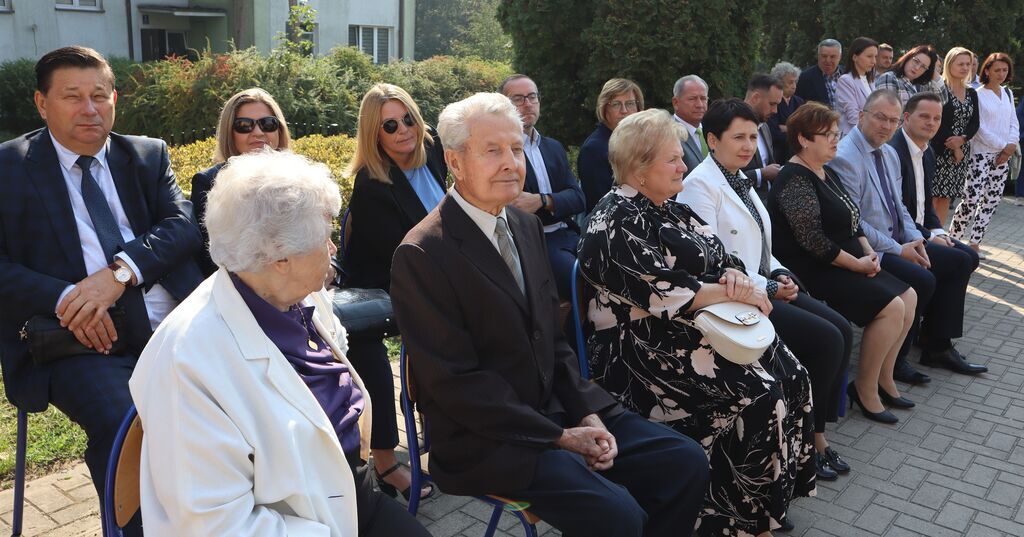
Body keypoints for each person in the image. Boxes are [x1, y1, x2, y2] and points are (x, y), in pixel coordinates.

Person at [390, 93, 709, 537]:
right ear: (455, 161)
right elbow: (456, 386)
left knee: (685, 463)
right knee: (618, 516)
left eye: (516, 149)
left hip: (556, 409)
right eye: (493, 150)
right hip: (487, 437)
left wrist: (586, 412)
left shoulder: (523, 225)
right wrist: (560, 437)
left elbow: (552, 341)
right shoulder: (423, 253)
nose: (510, 162)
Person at [129, 151, 431, 537]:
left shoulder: (296, 292)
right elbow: (217, 525)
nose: (334, 248)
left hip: (345, 491)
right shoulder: (188, 361)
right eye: (326, 238)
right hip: (296, 521)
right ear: (279, 257)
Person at [581, 108, 815, 536]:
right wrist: (728, 290)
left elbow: (725, 257)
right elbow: (664, 293)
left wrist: (733, 277)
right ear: (638, 167)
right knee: (759, 395)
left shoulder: (669, 206)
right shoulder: (611, 220)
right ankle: (739, 519)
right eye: (672, 159)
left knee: (793, 374)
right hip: (640, 350)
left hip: (692, 328)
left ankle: (760, 508)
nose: (683, 165)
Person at [0, 46, 203, 535]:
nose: (90, 109)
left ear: (114, 98)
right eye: (73, 96)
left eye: (99, 96)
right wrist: (70, 298)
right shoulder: (9, 168)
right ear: (42, 103)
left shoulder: (145, 154)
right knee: (128, 426)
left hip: (171, 325)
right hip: (78, 342)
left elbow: (183, 225)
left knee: (238, 403)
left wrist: (118, 275)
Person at [678, 98, 853, 482]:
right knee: (826, 341)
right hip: (735, 298)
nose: (748, 145)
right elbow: (716, 261)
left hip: (766, 287)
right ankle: (811, 447)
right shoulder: (699, 186)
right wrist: (771, 286)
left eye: (753, 136)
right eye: (737, 137)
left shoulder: (740, 179)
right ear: (712, 139)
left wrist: (781, 274)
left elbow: (760, 246)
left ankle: (814, 437)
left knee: (840, 329)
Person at [768, 102, 917, 424]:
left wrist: (869, 253)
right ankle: (864, 389)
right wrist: (858, 265)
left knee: (910, 296)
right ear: (804, 139)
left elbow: (854, 220)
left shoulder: (826, 169)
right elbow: (813, 242)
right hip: (814, 269)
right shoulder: (794, 177)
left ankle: (884, 378)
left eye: (837, 133)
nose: (836, 140)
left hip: (849, 259)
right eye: (828, 135)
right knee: (892, 307)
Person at [831, 90, 986, 382]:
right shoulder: (844, 157)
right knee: (923, 278)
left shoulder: (888, 152)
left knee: (959, 260)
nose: (887, 126)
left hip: (898, 239)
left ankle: (934, 344)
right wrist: (901, 249)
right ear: (861, 116)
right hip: (865, 248)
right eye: (880, 118)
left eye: (891, 120)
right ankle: (896, 360)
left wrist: (917, 240)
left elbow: (900, 206)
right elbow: (855, 223)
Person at [342, 83, 444, 502]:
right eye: (390, 124)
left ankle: (455, 440)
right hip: (383, 283)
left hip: (435, 274)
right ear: (375, 135)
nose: (404, 130)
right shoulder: (372, 186)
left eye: (409, 119)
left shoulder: (433, 150)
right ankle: (386, 461)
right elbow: (407, 254)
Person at [889, 92, 984, 366]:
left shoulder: (927, 150)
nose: (931, 123)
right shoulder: (895, 151)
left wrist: (939, 232)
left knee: (969, 256)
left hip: (921, 229)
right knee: (958, 260)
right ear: (906, 118)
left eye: (937, 118)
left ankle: (931, 333)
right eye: (924, 116)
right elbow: (898, 212)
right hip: (901, 235)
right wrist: (929, 236)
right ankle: (937, 347)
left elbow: (927, 206)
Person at [499, 74, 585, 299]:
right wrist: (557, 200)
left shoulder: (553, 147)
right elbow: (516, 206)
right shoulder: (503, 153)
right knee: (578, 282)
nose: (527, 103)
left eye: (532, 96)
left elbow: (578, 198)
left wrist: (542, 200)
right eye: (518, 98)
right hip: (535, 242)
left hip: (568, 232)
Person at [191, 88, 292, 276]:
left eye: (268, 124)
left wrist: (330, 267)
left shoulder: (300, 177)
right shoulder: (209, 183)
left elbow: (321, 240)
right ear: (230, 133)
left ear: (279, 130)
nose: (258, 132)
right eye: (244, 125)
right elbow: (207, 257)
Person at [950, 53, 1019, 255]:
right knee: (971, 199)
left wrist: (1011, 145)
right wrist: (1003, 146)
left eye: (1004, 70)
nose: (1001, 74)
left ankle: (975, 242)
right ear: (987, 70)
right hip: (981, 155)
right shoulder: (977, 94)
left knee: (991, 201)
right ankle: (953, 239)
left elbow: (1013, 122)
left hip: (1002, 157)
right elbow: (978, 127)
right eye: (997, 70)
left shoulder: (1006, 93)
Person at [579, 78, 645, 213]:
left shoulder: (641, 142)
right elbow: (601, 204)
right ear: (604, 108)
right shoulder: (593, 150)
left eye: (630, 103)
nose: (624, 110)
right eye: (616, 104)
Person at [930, 47, 980, 224]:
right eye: (961, 64)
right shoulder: (939, 89)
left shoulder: (972, 92)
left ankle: (939, 236)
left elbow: (975, 123)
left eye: (968, 64)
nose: (966, 67)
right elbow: (938, 121)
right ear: (949, 65)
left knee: (946, 197)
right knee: (932, 197)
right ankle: (925, 237)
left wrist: (962, 141)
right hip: (939, 149)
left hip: (960, 154)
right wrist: (955, 146)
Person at [741, 73, 784, 201]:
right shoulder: (730, 127)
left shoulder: (764, 127)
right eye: (772, 104)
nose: (775, 110)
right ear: (755, 98)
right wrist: (761, 174)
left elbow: (768, 163)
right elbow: (725, 176)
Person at [836, 37, 879, 135]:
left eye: (875, 56)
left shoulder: (871, 81)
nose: (874, 61)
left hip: (869, 136)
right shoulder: (846, 80)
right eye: (869, 56)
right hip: (852, 137)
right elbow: (853, 117)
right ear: (855, 57)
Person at [874, 45, 939, 108]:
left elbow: (941, 101)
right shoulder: (889, 78)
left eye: (923, 67)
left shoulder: (921, 86)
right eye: (916, 61)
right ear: (908, 58)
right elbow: (887, 111)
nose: (917, 68)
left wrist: (935, 72)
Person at [671, 74, 710, 174]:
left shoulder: (712, 131)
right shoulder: (668, 134)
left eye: (703, 98)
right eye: (692, 99)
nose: (699, 105)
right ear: (676, 102)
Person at [768, 61, 806, 163]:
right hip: (778, 156)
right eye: (790, 82)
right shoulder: (772, 102)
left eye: (795, 81)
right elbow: (773, 133)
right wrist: (797, 131)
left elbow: (807, 128)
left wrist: (786, 128)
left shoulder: (799, 101)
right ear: (778, 82)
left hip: (798, 154)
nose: (794, 86)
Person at [796, 38, 843, 108]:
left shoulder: (848, 74)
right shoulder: (805, 78)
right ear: (818, 56)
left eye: (832, 57)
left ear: (840, 57)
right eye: (824, 56)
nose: (828, 60)